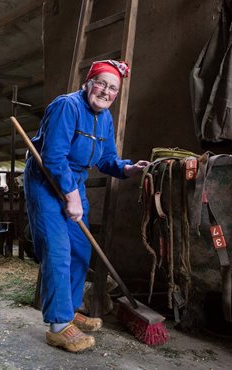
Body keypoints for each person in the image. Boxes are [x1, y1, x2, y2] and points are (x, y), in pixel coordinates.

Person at [24, 60, 150, 353]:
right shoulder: (67, 106)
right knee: (57, 249)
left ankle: (68, 310)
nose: (106, 91)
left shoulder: (104, 118)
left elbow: (106, 159)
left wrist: (127, 168)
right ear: (88, 83)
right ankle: (57, 326)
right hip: (45, 180)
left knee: (80, 248)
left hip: (73, 181)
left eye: (113, 88)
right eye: (101, 83)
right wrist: (71, 197)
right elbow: (53, 157)